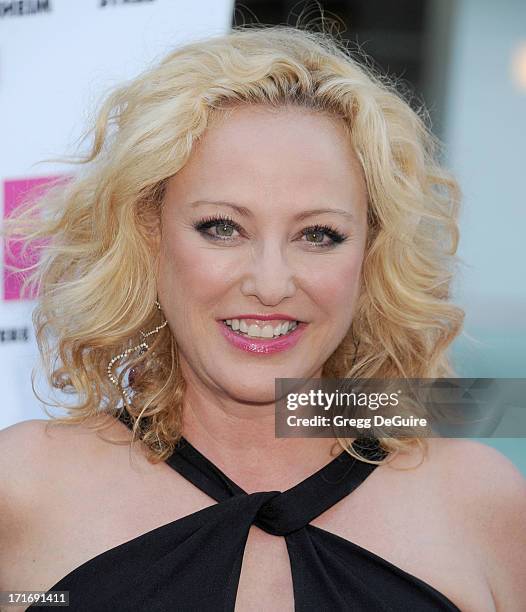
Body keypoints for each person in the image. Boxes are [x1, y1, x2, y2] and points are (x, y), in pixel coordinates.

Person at [1, 24, 525, 612]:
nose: (271, 285)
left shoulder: (482, 502)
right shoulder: (23, 489)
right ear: (148, 237)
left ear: (370, 256)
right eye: (222, 228)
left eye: (319, 235)